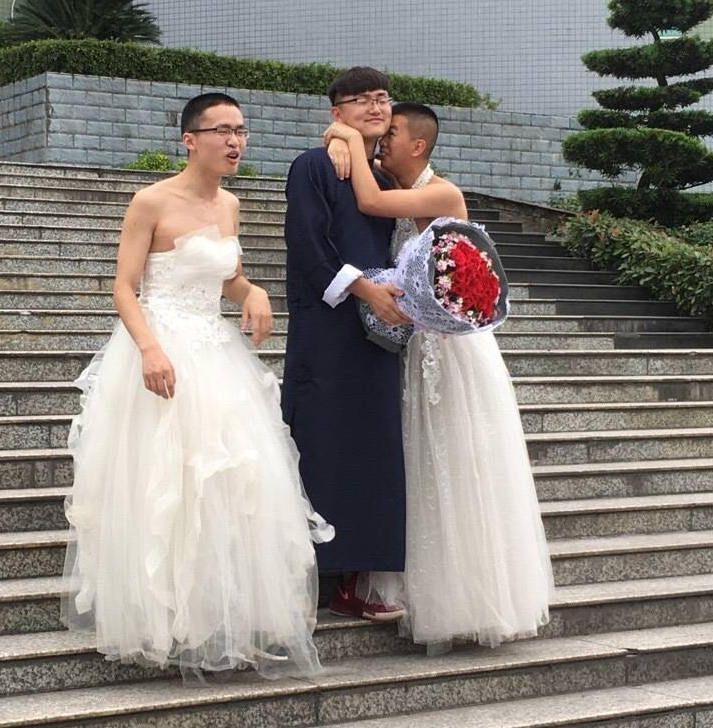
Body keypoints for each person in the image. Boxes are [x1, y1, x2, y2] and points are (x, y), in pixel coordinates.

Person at [60, 92, 332, 679]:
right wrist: (149, 349)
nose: (235, 141)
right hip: (162, 349)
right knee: (165, 484)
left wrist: (253, 292)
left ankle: (217, 614)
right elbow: (125, 286)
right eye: (222, 130)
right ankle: (160, 619)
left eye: (242, 130)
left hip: (216, 352)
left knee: (233, 482)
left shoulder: (230, 203)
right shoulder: (151, 200)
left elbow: (228, 276)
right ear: (190, 139)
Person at [324, 102, 555, 651]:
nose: (382, 141)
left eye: (392, 133)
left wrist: (345, 136)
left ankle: (462, 597)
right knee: (415, 459)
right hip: (411, 341)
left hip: (449, 350)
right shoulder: (402, 187)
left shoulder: (443, 194)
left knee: (452, 457)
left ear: (419, 145)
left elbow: (368, 201)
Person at [283, 67, 410, 622]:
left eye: (382, 98)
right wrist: (364, 290)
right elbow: (307, 243)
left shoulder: (386, 180)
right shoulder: (314, 165)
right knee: (318, 443)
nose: (375, 107)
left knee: (373, 451)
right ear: (336, 113)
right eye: (360, 101)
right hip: (327, 330)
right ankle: (304, 580)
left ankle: (356, 582)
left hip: (381, 334)